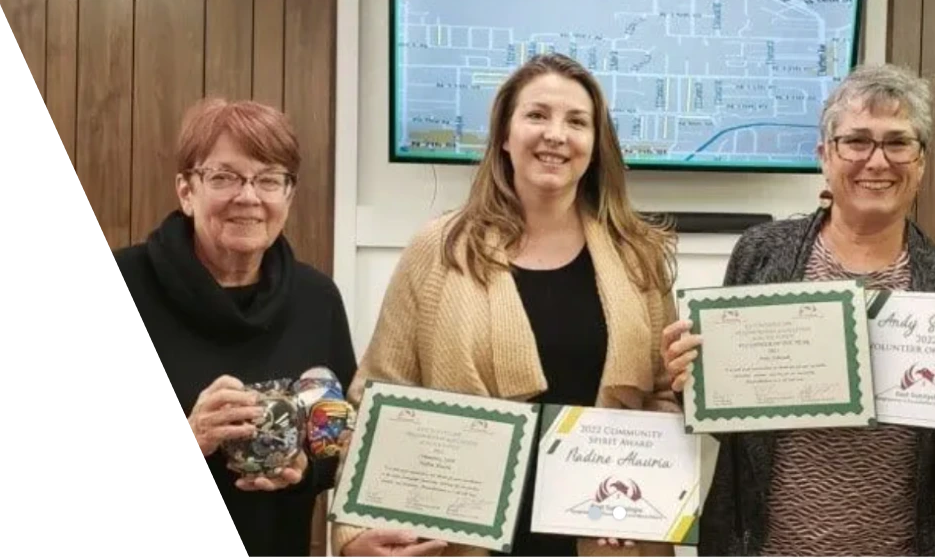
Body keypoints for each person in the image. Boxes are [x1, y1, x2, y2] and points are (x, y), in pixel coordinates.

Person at [659, 63, 935, 556]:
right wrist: (689, 383)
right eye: (856, 141)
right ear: (825, 156)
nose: (877, 161)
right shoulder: (761, 256)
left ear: (921, 163)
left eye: (898, 143)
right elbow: (732, 429)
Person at [331, 52, 681, 557]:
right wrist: (353, 535)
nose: (556, 134)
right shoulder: (439, 249)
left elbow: (664, 394)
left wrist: (651, 495)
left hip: (606, 537)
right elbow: (377, 398)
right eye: (537, 115)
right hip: (457, 542)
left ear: (595, 145)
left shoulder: (636, 254)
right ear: (504, 136)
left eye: (576, 121)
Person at [113, 97, 360, 556]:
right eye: (224, 177)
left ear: (288, 195)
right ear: (186, 191)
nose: (248, 197)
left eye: (269, 179)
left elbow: (336, 443)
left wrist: (305, 469)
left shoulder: (317, 299)